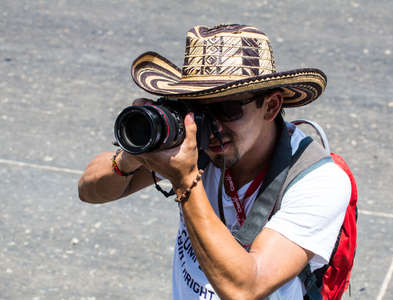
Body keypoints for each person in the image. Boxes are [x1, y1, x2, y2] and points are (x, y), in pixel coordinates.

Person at [78, 24, 351, 300]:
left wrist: (186, 182)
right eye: (197, 109)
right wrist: (133, 155)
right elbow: (89, 191)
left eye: (227, 109)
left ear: (271, 106)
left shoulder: (319, 181)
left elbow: (245, 287)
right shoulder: (197, 144)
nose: (211, 126)